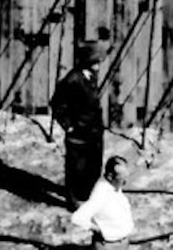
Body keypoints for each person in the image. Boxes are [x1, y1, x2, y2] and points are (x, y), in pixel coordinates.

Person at [50, 42, 107, 207]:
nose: (98, 65)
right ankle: (73, 199)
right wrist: (69, 126)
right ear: (86, 62)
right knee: (77, 167)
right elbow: (57, 104)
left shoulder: (90, 77)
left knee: (93, 164)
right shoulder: (73, 79)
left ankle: (89, 195)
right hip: (79, 133)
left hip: (93, 131)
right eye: (95, 61)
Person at [70, 154, 135, 244]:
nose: (125, 182)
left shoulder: (113, 183)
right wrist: (100, 231)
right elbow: (77, 218)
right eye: (122, 179)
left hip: (122, 241)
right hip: (110, 246)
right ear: (110, 177)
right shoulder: (100, 195)